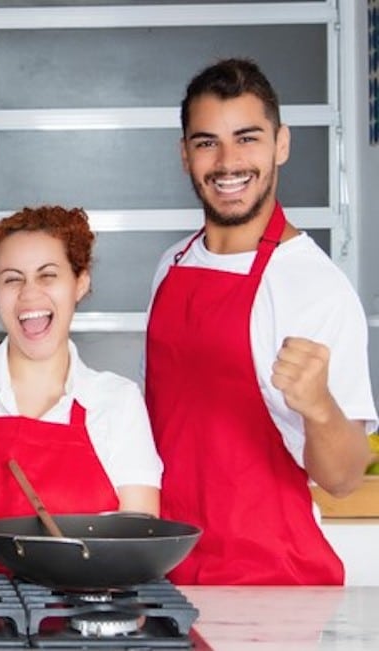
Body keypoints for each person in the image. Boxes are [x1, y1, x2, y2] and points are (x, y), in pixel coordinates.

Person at [145, 58, 378, 585]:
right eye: (207, 142)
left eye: (247, 138)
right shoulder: (173, 265)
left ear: (282, 144)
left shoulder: (315, 286)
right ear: (185, 155)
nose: (228, 161)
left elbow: (342, 478)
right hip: (171, 576)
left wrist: (319, 408)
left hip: (272, 581)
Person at [0, 205, 162, 573]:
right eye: (12, 279)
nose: (30, 294)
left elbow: (136, 542)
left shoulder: (117, 400)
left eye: (48, 275)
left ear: (81, 282)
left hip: (81, 617)